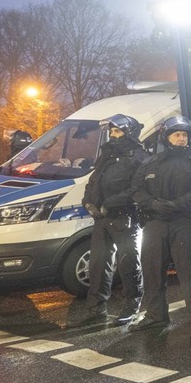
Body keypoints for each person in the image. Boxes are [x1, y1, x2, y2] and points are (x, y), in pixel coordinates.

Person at [130, 116, 191, 338]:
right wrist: (153, 204)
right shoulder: (150, 162)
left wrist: (176, 205)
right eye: (176, 134)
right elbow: (137, 190)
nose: (180, 139)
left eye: (184, 135)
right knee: (152, 272)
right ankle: (155, 317)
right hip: (155, 223)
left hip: (183, 223)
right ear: (166, 137)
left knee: (190, 273)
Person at [75, 114, 150, 326]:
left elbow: (137, 189)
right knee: (98, 265)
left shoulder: (139, 157)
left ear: (129, 132)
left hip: (125, 217)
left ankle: (131, 306)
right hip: (102, 218)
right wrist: (88, 202)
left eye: (117, 131)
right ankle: (96, 309)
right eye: (112, 132)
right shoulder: (107, 155)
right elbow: (93, 181)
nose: (113, 135)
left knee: (128, 264)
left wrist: (112, 203)